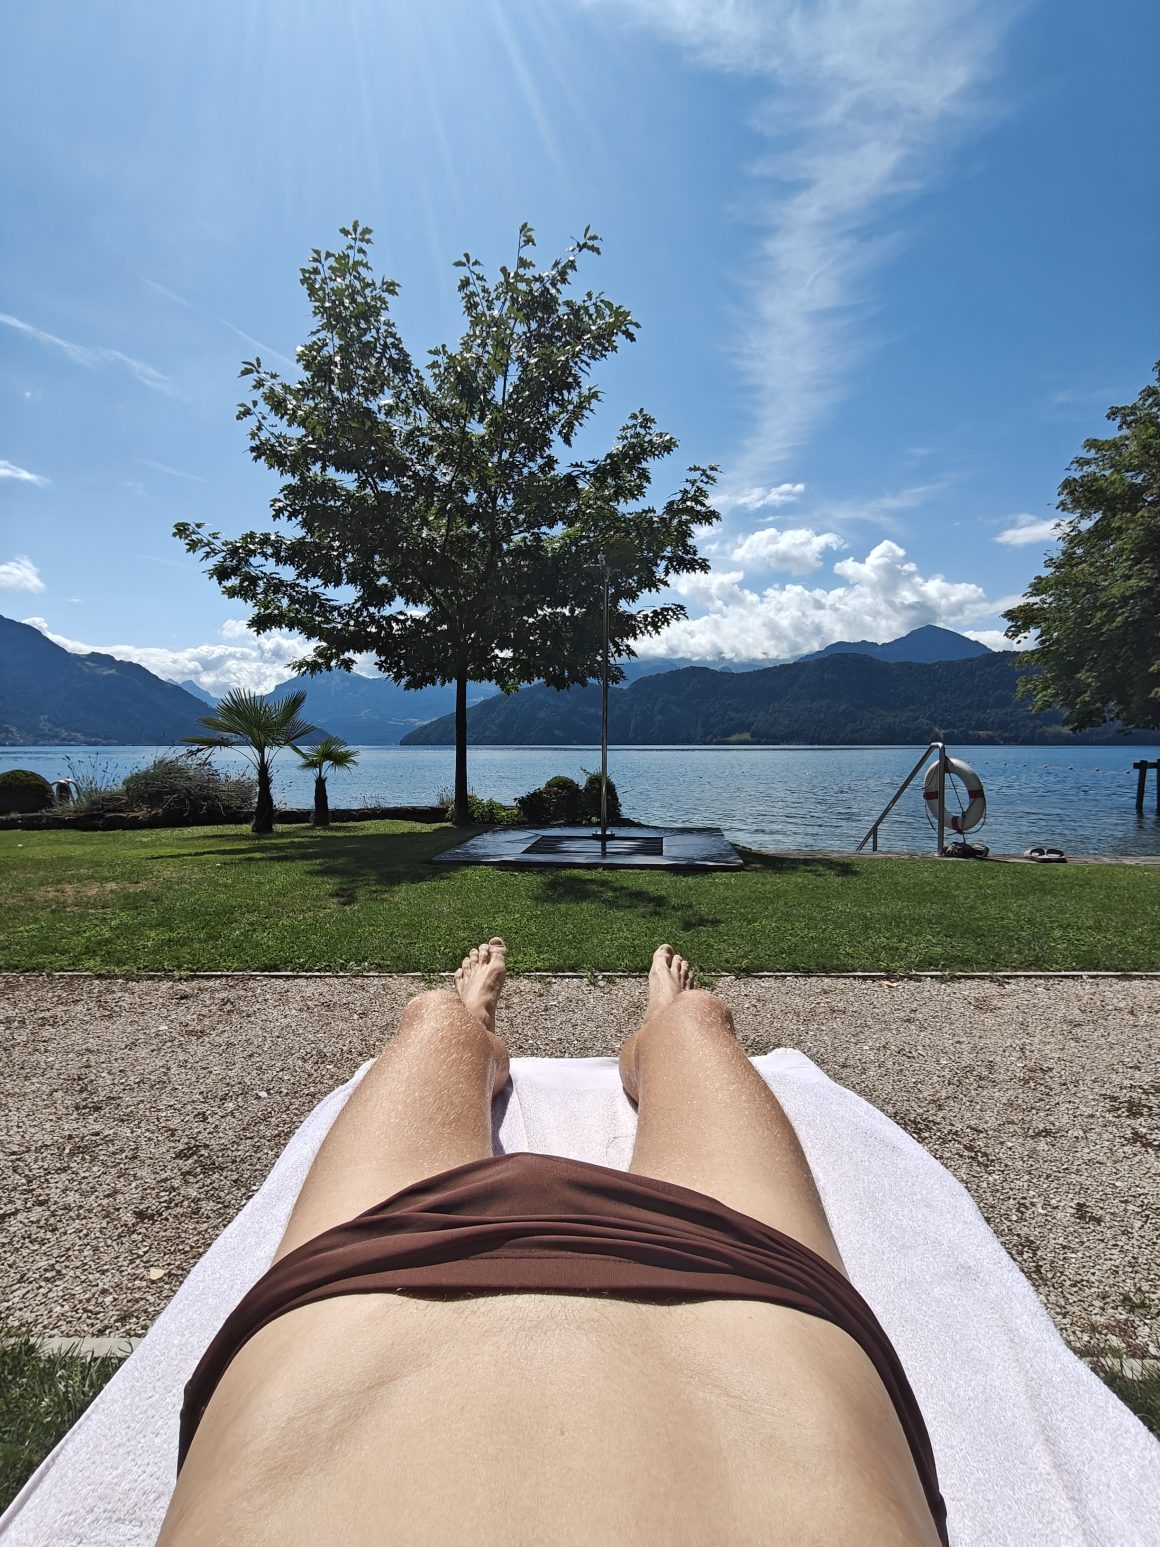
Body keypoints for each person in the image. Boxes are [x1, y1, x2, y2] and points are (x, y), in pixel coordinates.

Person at [158, 941, 947, 1546]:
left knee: (429, 1022)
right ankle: (660, 1027)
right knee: (702, 1024)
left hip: (371, 1281)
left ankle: (474, 1027)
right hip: (736, 1286)